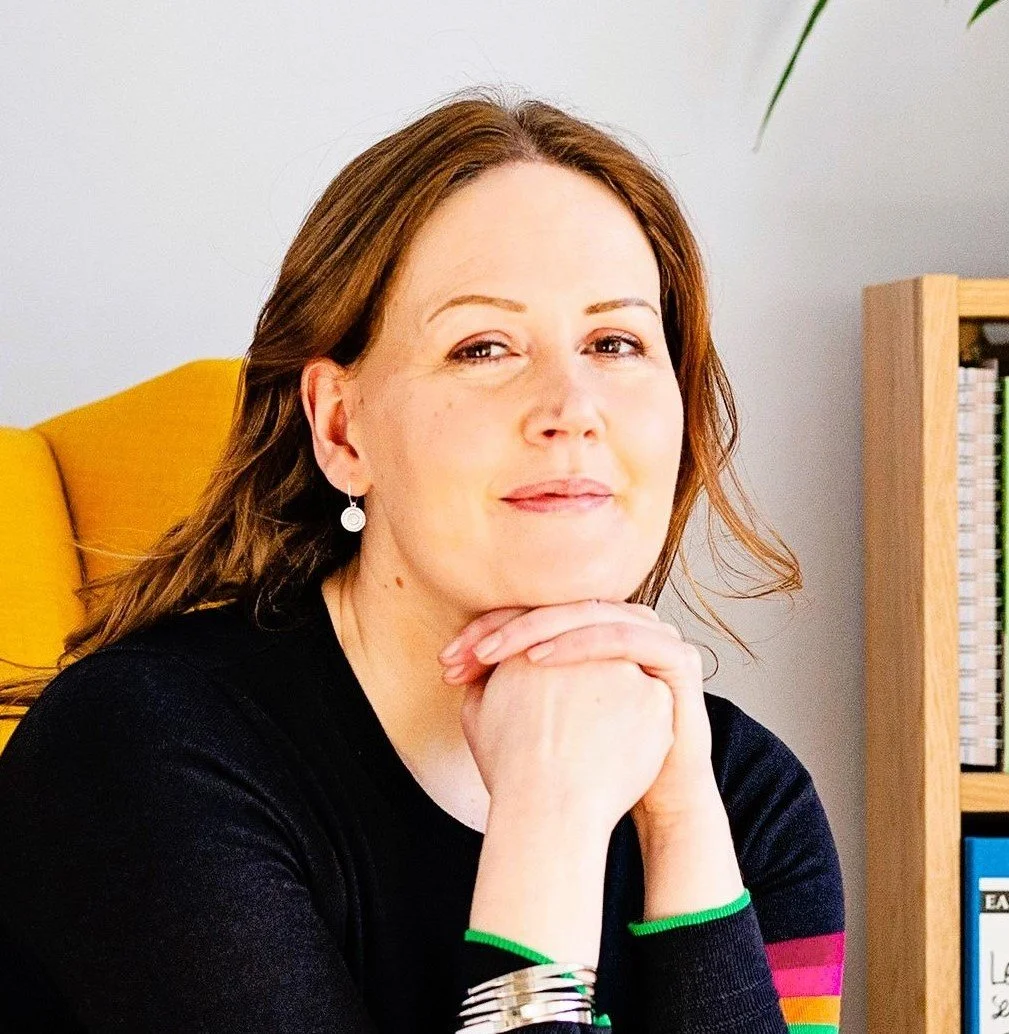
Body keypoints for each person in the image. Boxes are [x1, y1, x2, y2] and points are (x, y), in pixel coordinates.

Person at [0, 86, 845, 1033]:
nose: (573, 406)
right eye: (483, 347)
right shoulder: (138, 753)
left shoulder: (745, 795)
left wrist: (682, 825)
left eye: (615, 341)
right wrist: (548, 823)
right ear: (341, 428)